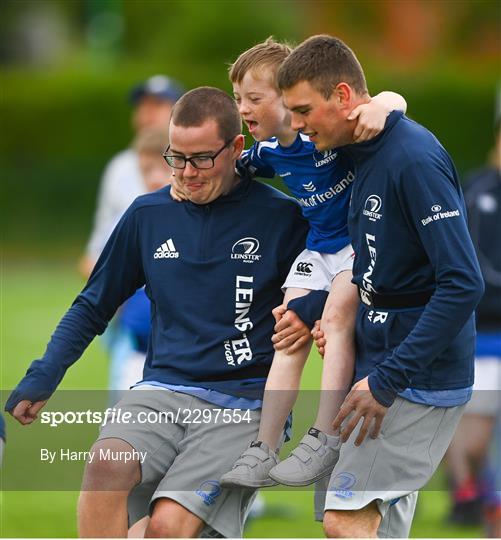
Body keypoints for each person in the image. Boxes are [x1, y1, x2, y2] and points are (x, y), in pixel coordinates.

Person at [6, 87, 324, 538]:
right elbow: (93, 304)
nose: (187, 173)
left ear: (236, 149)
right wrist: (45, 372)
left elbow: (337, 276)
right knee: (103, 469)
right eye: (177, 157)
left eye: (201, 159)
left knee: (167, 527)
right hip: (160, 389)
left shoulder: (283, 218)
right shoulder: (147, 215)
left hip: (244, 404)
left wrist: (316, 308)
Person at [278, 35, 484, 538]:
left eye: (304, 110)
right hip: (378, 364)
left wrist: (388, 380)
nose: (298, 126)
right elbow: (384, 265)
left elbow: (463, 282)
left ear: (344, 97)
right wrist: (319, 305)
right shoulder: (354, 148)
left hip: (416, 378)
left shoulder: (412, 159)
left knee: (345, 521)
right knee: (371, 525)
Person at [208, 37, 407, 489]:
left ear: (289, 97)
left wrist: (386, 105)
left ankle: (324, 436)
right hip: (317, 250)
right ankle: (264, 446)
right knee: (286, 333)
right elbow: (232, 166)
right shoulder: (267, 153)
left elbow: (390, 103)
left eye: (254, 98)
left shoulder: (331, 133)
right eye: (238, 99)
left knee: (335, 320)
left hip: (358, 246)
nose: (243, 108)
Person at [445, 112, 501, 536]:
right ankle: (468, 491)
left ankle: (488, 507)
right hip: (483, 334)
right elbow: (476, 271)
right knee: (476, 437)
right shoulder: (479, 190)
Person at [78, 74, 184, 278]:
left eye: (158, 105)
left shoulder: (196, 161)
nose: (147, 114)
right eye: (142, 107)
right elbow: (100, 241)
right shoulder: (120, 167)